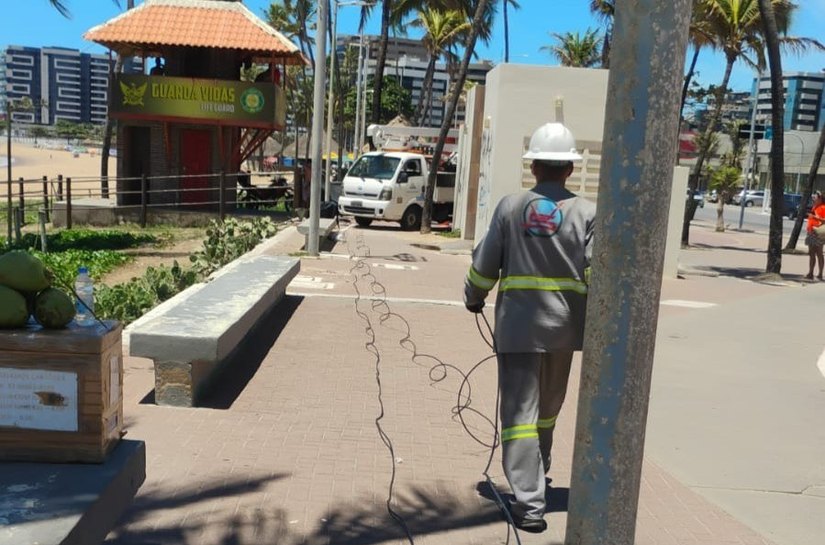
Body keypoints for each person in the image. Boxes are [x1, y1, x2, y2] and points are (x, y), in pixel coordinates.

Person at [463, 122, 596, 534]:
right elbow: (598, 275)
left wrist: (473, 296)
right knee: (546, 414)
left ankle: (530, 504)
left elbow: (485, 266)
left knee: (520, 416)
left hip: (519, 329)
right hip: (565, 332)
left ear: (534, 166)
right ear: (569, 170)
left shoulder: (510, 207)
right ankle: (538, 477)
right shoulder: (589, 212)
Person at [805, 191, 825, 280]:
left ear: (820, 199)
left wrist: (814, 217)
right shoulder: (815, 207)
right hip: (811, 232)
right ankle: (810, 272)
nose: (813, 199)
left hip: (818, 233)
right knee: (811, 253)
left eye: (815, 197)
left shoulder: (823, 207)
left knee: (819, 253)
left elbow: (824, 220)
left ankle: (820, 273)